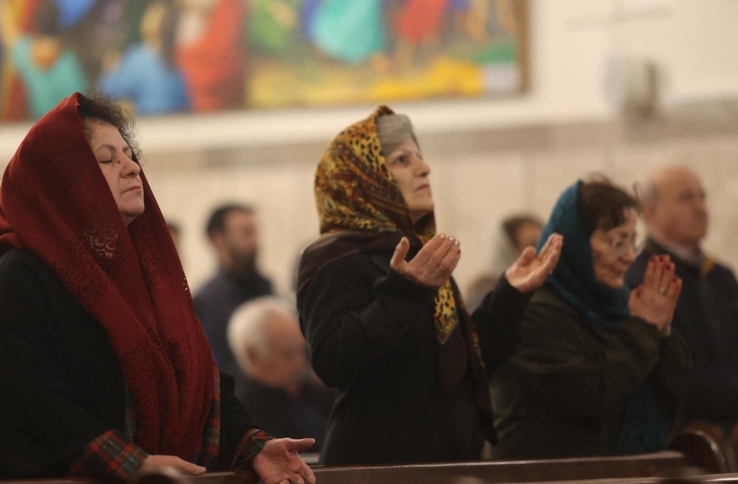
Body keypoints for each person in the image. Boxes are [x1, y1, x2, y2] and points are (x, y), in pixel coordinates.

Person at [0, 91, 315, 483]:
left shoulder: (145, 274)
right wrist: (132, 465)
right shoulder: (23, 279)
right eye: (107, 159)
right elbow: (32, 404)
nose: (132, 167)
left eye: (128, 154)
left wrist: (253, 445)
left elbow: (201, 381)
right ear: (63, 182)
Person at [296, 106, 563, 465]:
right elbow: (332, 362)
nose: (424, 168)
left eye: (418, 156)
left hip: (448, 459)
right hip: (379, 467)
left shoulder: (416, 251)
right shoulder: (334, 256)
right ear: (363, 178)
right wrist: (403, 293)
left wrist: (510, 295)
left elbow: (461, 367)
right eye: (402, 160)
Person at [489, 178, 693, 459]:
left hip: (613, 470)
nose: (629, 257)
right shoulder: (531, 312)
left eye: (632, 242)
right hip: (540, 473)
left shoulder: (620, 306)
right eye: (617, 242)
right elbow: (588, 395)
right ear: (575, 243)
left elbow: (674, 393)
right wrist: (644, 329)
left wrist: (663, 331)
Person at [627, 166, 738, 434]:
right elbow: (672, 375)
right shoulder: (641, 279)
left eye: (702, 197)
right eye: (687, 198)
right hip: (684, 433)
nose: (701, 208)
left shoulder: (720, 276)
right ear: (650, 211)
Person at [228, 297, 333, 453]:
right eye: (287, 353)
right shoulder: (244, 417)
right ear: (253, 355)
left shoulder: (312, 388)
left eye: (301, 350)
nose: (299, 361)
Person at [194, 204, 274, 388]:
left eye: (255, 232)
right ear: (217, 239)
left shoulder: (267, 288)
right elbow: (215, 370)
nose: (256, 242)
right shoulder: (205, 303)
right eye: (246, 233)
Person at [465, 214, 543, 309]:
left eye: (546, 242)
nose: (543, 251)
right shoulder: (484, 298)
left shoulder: (546, 288)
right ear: (509, 254)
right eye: (534, 245)